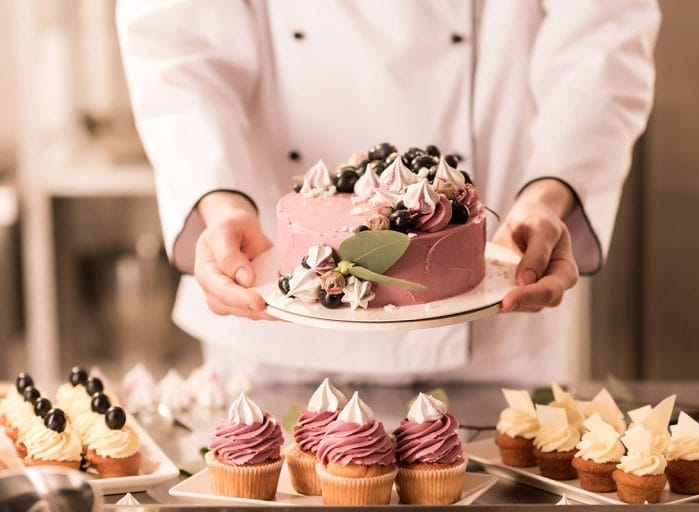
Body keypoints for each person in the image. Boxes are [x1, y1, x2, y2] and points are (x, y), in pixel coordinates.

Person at [116, 1, 660, 385]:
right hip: (274, 319)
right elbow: (175, 41)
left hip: (494, 319)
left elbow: (602, 37)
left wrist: (549, 192)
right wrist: (221, 200)